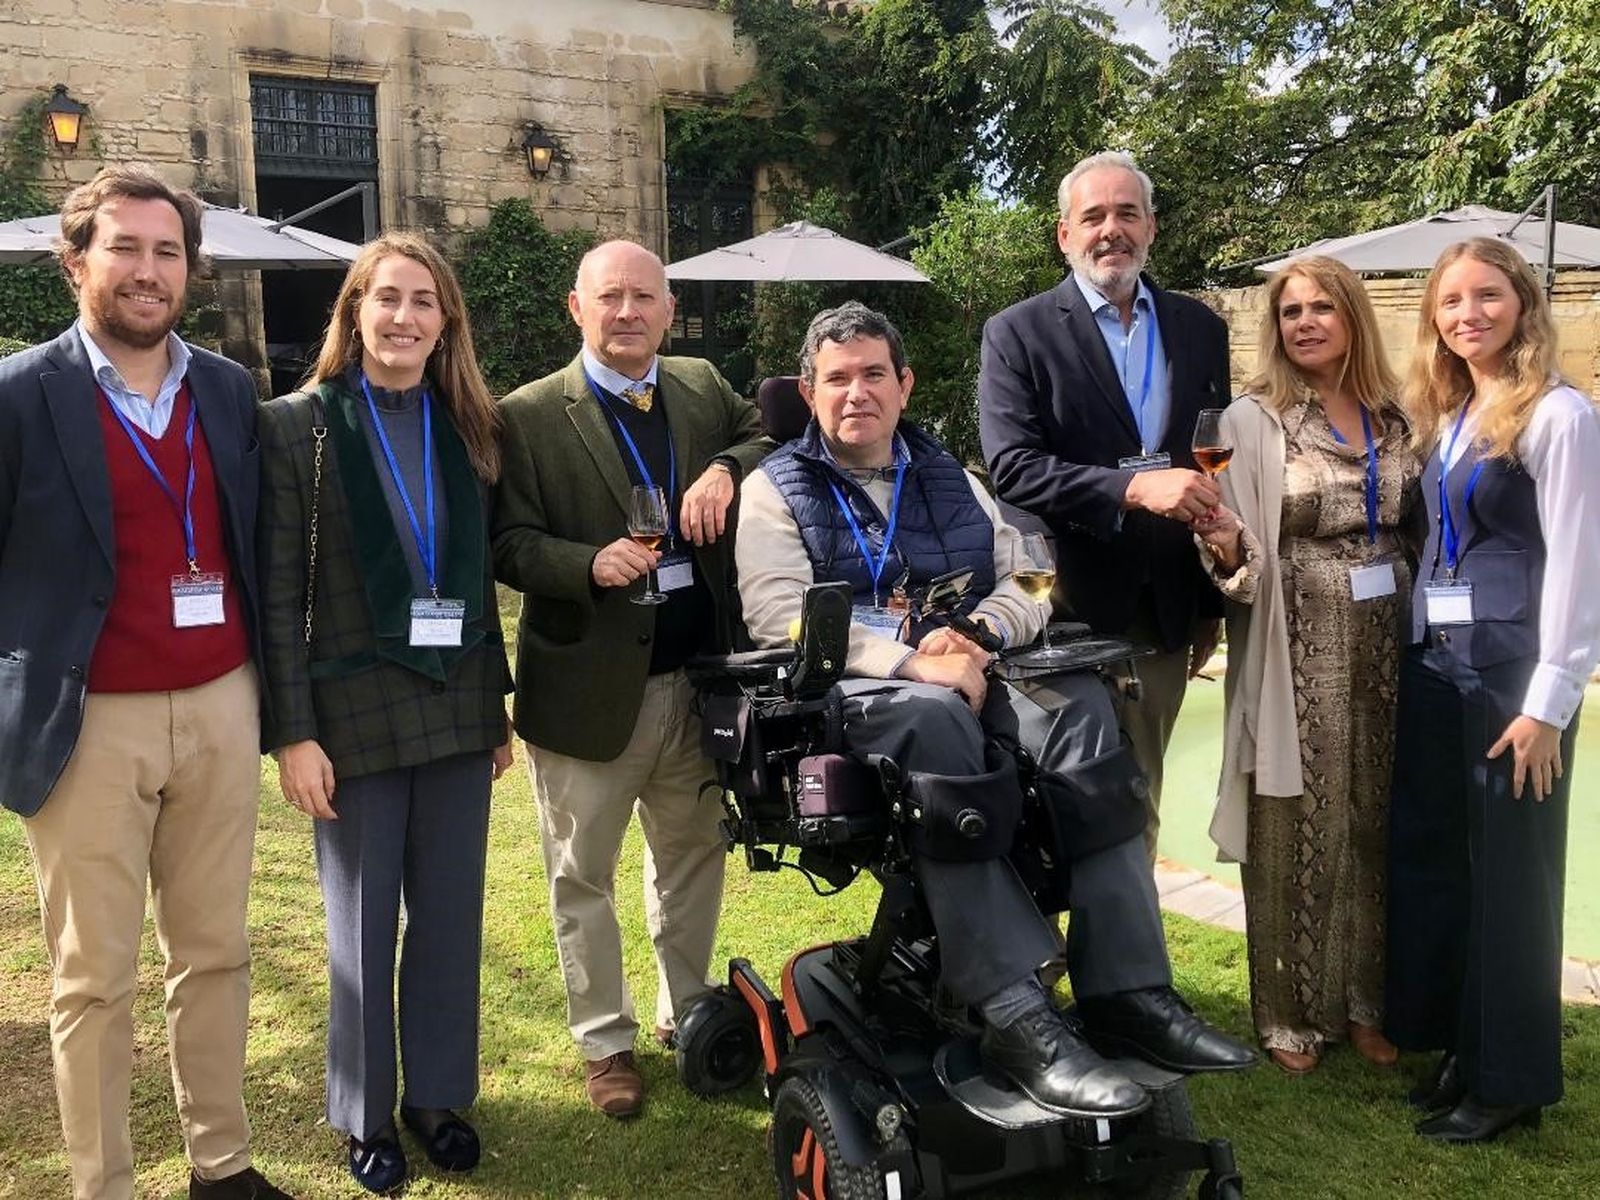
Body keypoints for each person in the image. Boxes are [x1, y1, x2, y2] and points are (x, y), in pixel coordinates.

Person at [736, 301, 1255, 1118]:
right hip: (860, 691)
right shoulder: (772, 491)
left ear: (904, 386)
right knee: (935, 721)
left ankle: (1129, 992)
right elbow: (779, 615)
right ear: (809, 392)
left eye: (874, 374)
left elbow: (1034, 578)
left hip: (973, 664)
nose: (856, 393)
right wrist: (915, 662)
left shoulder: (953, 478)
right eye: (836, 378)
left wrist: (975, 636)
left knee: (1083, 712)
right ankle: (1018, 1015)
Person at [0, 164, 291, 1200]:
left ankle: (222, 1164)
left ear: (190, 271)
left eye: (167, 251)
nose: (147, 270)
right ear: (76, 260)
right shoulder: (19, 395)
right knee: (94, 977)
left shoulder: (223, 387)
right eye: (123, 247)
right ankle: (104, 1184)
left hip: (220, 701)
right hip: (87, 723)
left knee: (214, 951)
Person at [491, 239, 772, 1118]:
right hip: (588, 693)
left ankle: (686, 1014)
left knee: (692, 859)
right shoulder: (527, 414)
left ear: (669, 310)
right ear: (576, 310)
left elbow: (765, 434)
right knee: (584, 877)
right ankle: (604, 1043)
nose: (627, 313)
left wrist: (728, 467)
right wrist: (587, 562)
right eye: (608, 297)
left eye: (643, 298)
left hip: (697, 680)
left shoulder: (697, 384)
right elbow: (505, 543)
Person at [257, 232, 514, 1192]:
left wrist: (496, 712)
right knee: (362, 928)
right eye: (386, 299)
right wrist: (292, 732)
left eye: (423, 302)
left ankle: (435, 1095)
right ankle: (365, 1114)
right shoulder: (296, 427)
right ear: (354, 311)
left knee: (449, 918)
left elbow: (481, 590)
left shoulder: (471, 431)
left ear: (445, 322)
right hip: (350, 713)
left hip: (455, 707)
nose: (404, 318)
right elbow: (279, 595)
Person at [1384, 237, 1600, 1143]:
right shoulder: (1456, 412)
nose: (1466, 315)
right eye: (1449, 302)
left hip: (1515, 677)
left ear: (1523, 304)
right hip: (1438, 664)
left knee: (1512, 881)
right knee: (1443, 866)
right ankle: (1460, 1049)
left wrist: (1549, 702)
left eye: (1487, 297)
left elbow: (1580, 565)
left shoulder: (1561, 415)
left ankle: (1509, 1081)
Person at [1191, 256, 1421, 1075]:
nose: (1307, 322)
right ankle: (1289, 1011)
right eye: (1291, 311)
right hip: (1300, 642)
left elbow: (1418, 527)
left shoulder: (1397, 418)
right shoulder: (1254, 421)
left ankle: (1366, 1003)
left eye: (1324, 307)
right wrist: (1220, 546)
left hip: (1391, 642)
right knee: (1298, 820)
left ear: (1354, 316)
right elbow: (1239, 547)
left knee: (1374, 818)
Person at [978, 151, 1231, 854]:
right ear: (1065, 234)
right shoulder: (1018, 333)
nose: (1110, 230)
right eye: (1094, 216)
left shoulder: (1200, 329)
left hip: (1164, 610)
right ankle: (1052, 961)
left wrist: (1207, 607)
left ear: (1151, 227)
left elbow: (1213, 462)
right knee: (1060, 812)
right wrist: (1131, 487)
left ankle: (1125, 964)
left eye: (1127, 214)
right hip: (1065, 614)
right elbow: (1014, 469)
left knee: (1141, 800)